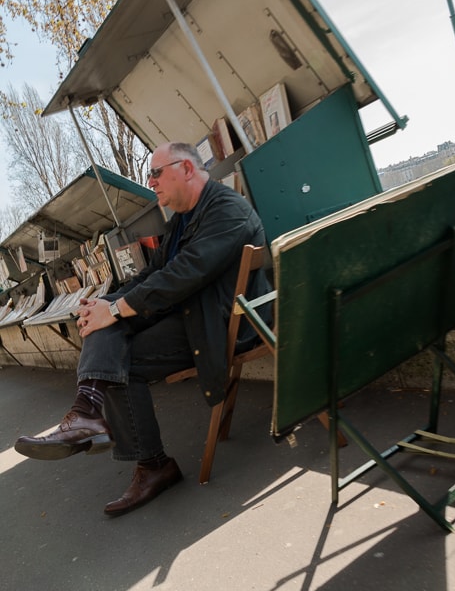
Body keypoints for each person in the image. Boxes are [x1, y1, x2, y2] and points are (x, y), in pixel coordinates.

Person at [15, 142, 271, 516]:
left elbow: (184, 275)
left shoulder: (227, 210)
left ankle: (149, 463)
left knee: (120, 362)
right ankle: (86, 413)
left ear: (186, 168)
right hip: (193, 315)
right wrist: (107, 304)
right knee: (103, 328)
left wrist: (116, 309)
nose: (150, 183)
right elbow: (154, 273)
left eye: (155, 173)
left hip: (223, 326)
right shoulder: (185, 216)